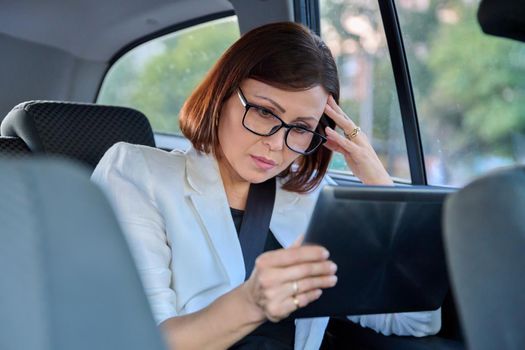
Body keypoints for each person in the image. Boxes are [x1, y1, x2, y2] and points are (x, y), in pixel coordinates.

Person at [91, 22, 440, 350]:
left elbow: (413, 321)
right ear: (223, 94)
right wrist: (252, 302)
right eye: (264, 112)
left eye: (301, 127)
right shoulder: (137, 174)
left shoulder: (314, 201)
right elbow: (136, 340)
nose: (277, 143)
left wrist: (379, 184)